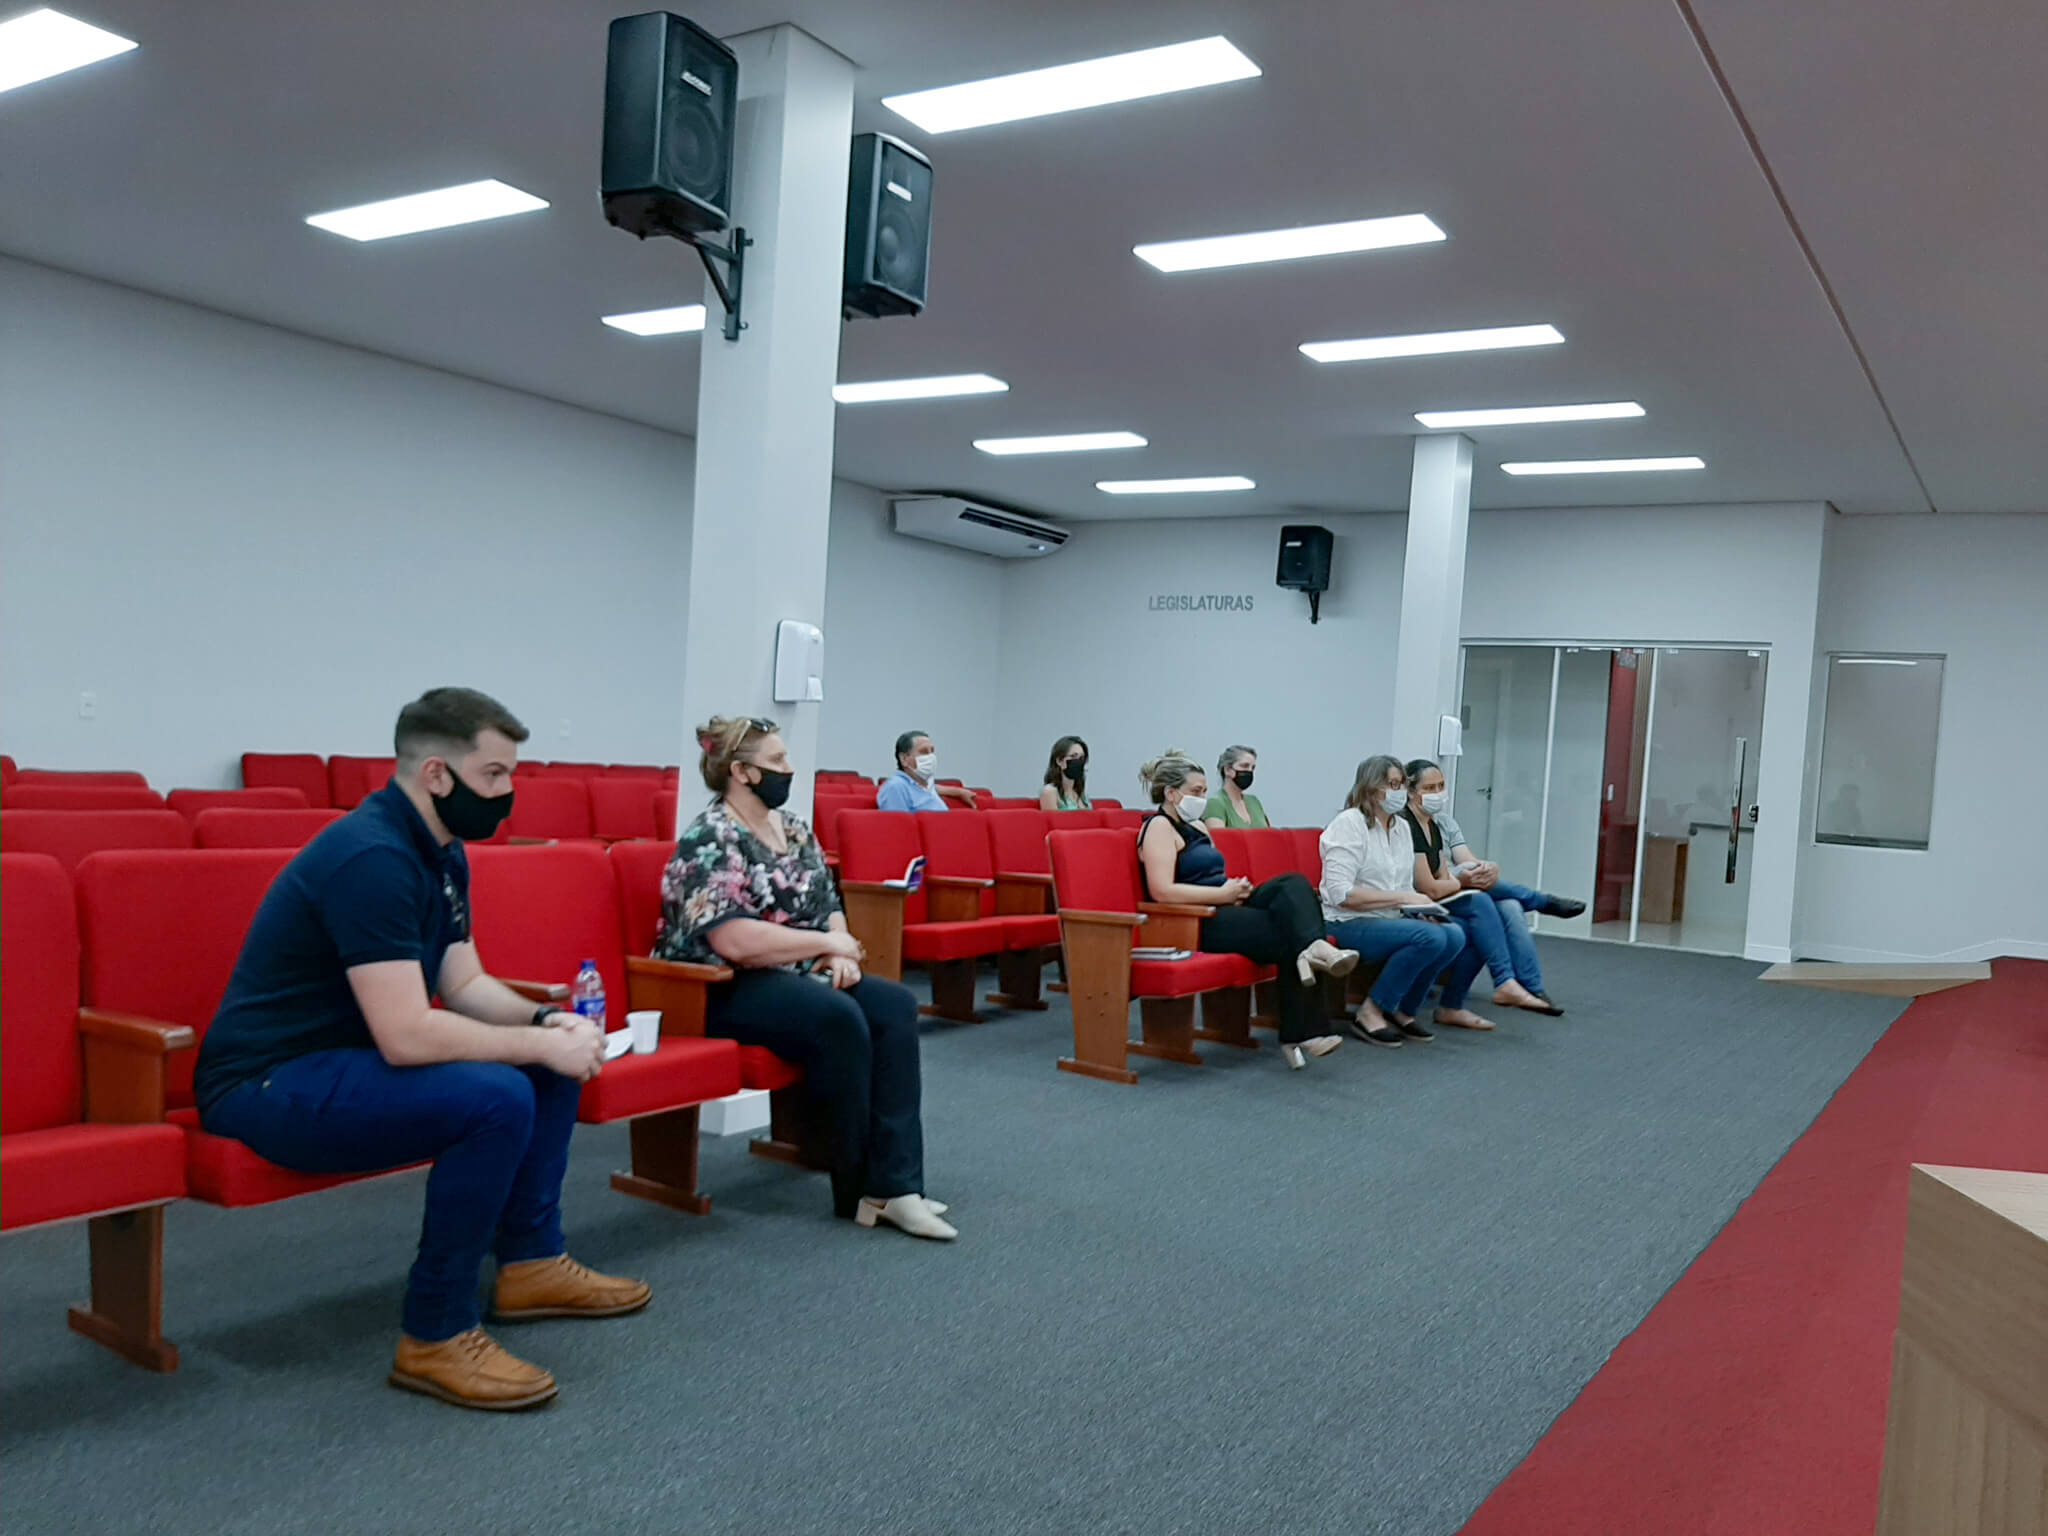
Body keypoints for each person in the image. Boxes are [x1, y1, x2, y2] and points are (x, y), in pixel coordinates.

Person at [195, 687, 647, 1413]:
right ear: (437, 774)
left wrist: (545, 1021)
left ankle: (530, 1262)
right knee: (497, 1096)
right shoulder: (371, 858)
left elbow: (462, 982)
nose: (506, 793)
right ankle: (436, 1331)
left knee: (542, 1062)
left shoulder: (440, 850)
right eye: (494, 775)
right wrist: (531, 1042)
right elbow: (406, 1035)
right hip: (266, 1083)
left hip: (347, 1063)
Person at [655, 716, 954, 1241]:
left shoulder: (793, 828)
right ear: (741, 772)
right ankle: (859, 1187)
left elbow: (828, 904)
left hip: (796, 972)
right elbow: (733, 939)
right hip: (720, 985)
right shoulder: (711, 835)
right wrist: (825, 946)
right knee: (837, 1016)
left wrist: (840, 951)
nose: (789, 768)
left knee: (894, 1006)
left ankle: (898, 1184)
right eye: (776, 761)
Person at [1134, 750, 1354, 1070]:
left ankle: (1314, 948)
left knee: (1294, 884)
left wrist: (1234, 888)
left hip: (1225, 901)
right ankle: (1304, 1029)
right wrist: (1221, 894)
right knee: (1290, 935)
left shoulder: (1198, 827)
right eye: (1195, 791)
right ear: (1171, 793)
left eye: (1204, 791)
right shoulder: (1159, 827)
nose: (1202, 798)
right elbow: (1162, 890)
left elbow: (1214, 874)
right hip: (1198, 918)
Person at [1404, 759, 1584, 1015]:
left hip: (1455, 885)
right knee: (1483, 904)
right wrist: (1463, 879)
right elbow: (1429, 885)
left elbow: (1466, 860)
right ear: (1411, 791)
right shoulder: (1407, 825)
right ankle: (1538, 903)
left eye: (1440, 786)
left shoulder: (1440, 823)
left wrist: (1488, 868)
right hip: (1432, 893)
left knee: (1510, 906)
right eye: (1429, 788)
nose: (1437, 794)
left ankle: (1531, 988)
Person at [1318, 755, 1472, 1045]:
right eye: (1392, 784)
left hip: (1390, 917)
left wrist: (1419, 909)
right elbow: (1341, 894)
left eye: (1401, 784)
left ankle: (1403, 1010)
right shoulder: (1349, 823)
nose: (1399, 791)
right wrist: (1402, 897)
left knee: (1453, 935)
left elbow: (1402, 884)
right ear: (1371, 787)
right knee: (1430, 938)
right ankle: (1371, 1011)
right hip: (1346, 920)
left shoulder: (1401, 827)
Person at [875, 730, 977, 812]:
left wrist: (958, 792)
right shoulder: (896, 787)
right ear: (904, 759)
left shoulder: (922, 783)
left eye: (932, 751)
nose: (930, 757)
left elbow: (925, 789)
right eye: (924, 752)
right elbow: (898, 825)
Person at [1203, 745, 1270, 829]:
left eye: (1252, 768)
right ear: (1228, 770)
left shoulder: (1254, 801)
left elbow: (1269, 833)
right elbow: (1217, 836)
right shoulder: (1215, 803)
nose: (1250, 771)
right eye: (1244, 766)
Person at [1039, 735, 1092, 811]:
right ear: (1059, 761)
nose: (1078, 761)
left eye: (1081, 758)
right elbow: (1051, 818)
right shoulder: (1049, 792)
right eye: (1073, 756)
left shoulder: (1081, 794)